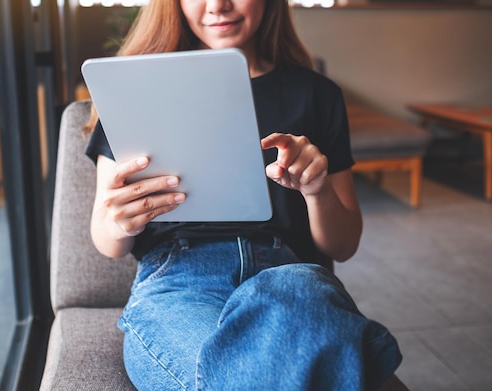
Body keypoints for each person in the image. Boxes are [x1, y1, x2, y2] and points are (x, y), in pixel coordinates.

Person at [85, 1, 402, 390]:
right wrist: (117, 222)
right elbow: (106, 240)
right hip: (180, 282)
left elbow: (344, 244)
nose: (219, 5)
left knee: (295, 292)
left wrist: (317, 192)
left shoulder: (316, 94)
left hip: (288, 277)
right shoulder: (135, 92)